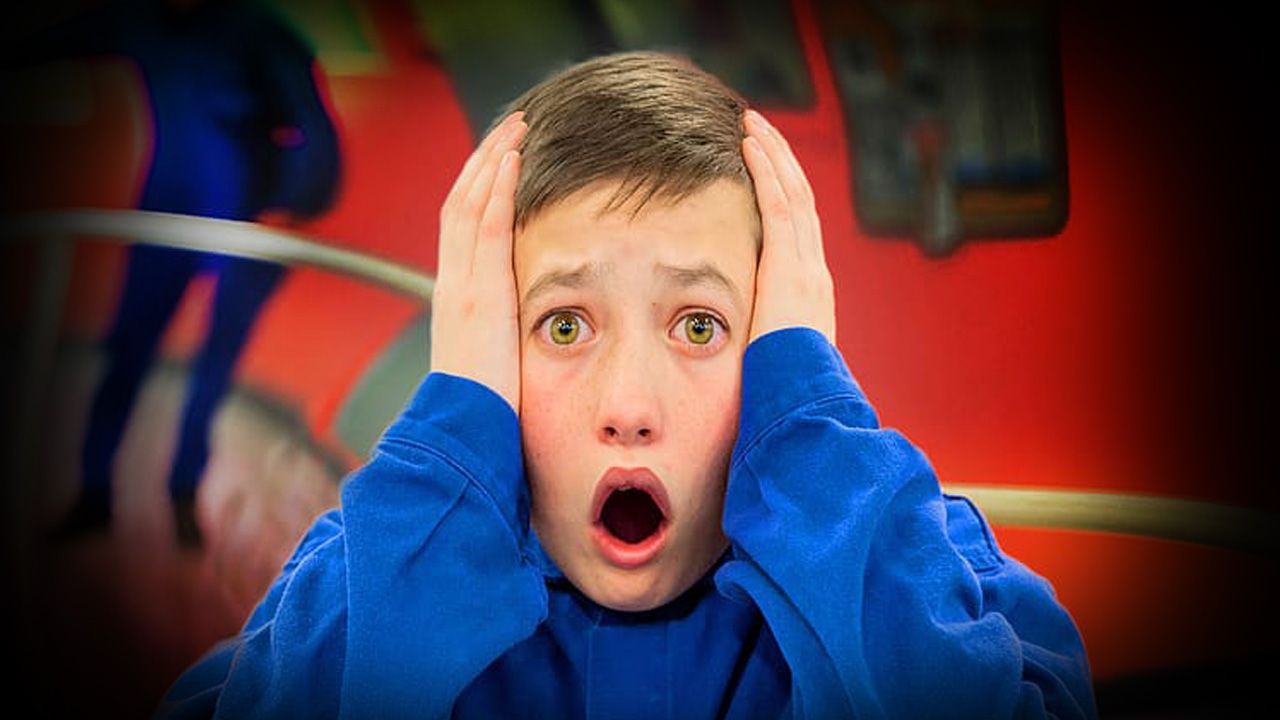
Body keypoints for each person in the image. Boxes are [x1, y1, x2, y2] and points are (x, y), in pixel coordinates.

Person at [157, 52, 1095, 718]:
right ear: (489, 352)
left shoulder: (934, 572)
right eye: (564, 326)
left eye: (700, 326)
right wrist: (455, 447)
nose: (630, 410)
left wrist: (810, 432)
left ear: (782, 347)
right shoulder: (366, 582)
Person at [32, 0, 342, 547]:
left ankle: (182, 491)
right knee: (126, 352)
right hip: (164, 215)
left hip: (245, 227)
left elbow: (320, 144)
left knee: (215, 365)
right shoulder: (140, 22)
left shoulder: (262, 34)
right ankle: (94, 491)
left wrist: (279, 208)